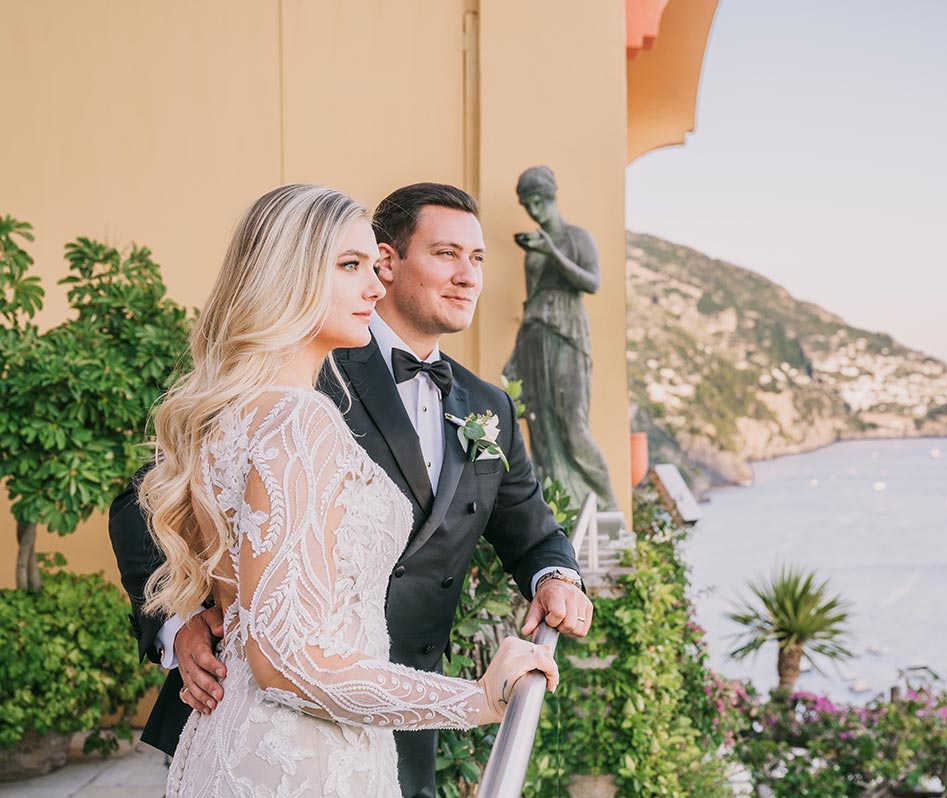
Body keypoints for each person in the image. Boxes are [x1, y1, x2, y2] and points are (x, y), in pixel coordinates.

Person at [109, 183, 590, 797]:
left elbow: (531, 525)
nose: (468, 276)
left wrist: (556, 577)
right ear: (388, 262)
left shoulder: (486, 404)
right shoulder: (305, 389)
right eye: (446, 254)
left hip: (374, 723)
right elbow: (150, 504)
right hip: (292, 730)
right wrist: (180, 625)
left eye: (477, 259)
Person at [503, 166, 618, 511]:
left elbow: (591, 283)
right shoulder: (533, 249)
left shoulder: (576, 238)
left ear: (551, 197)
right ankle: (557, 506)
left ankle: (607, 504)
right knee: (539, 423)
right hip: (535, 334)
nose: (534, 211)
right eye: (528, 205)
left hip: (567, 332)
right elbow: (533, 297)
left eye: (538, 202)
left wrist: (552, 251)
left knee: (572, 423)